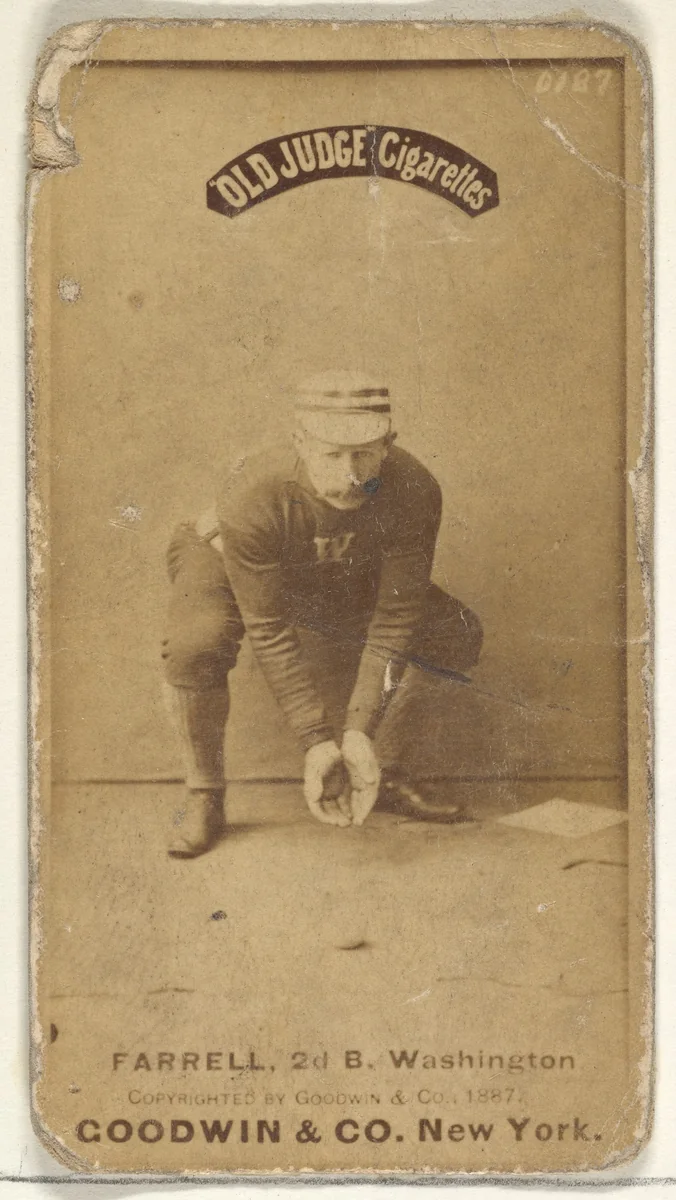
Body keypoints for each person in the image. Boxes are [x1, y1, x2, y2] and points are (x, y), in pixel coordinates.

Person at [161, 371, 482, 857]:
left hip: (328, 566)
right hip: (226, 557)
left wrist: (357, 733)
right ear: (300, 442)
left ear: (388, 443)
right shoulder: (254, 491)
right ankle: (205, 793)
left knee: (451, 633)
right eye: (331, 454)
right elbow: (267, 629)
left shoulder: (415, 488)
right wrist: (315, 739)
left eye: (364, 453)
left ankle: (382, 768)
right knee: (196, 643)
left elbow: (396, 616)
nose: (350, 474)